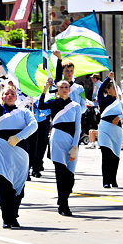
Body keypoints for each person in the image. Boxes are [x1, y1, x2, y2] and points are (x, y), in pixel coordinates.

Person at [0, 59, 38, 229]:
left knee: (18, 187)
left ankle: (13, 214)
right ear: (2, 96)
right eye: (6, 94)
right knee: (4, 187)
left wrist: (19, 137)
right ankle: (7, 219)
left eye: (12, 94)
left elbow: (34, 125)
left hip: (19, 152)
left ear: (16, 96)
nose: (9, 96)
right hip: (0, 152)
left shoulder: (23, 111)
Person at [39, 77, 84, 216]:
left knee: (70, 177)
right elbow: (40, 106)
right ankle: (64, 205)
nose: (64, 89)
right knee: (61, 174)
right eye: (61, 87)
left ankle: (62, 198)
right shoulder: (53, 103)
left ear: (69, 89)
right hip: (57, 138)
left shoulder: (76, 106)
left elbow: (78, 128)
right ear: (57, 90)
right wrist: (45, 88)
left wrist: (75, 146)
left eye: (66, 87)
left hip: (71, 141)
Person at [97, 72, 123, 188]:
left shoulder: (121, 103)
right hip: (104, 129)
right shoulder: (103, 100)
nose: (116, 89)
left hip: (116, 131)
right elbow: (100, 90)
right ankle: (106, 180)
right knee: (106, 155)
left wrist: (119, 117)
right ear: (108, 89)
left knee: (115, 156)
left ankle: (113, 179)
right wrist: (108, 78)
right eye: (113, 87)